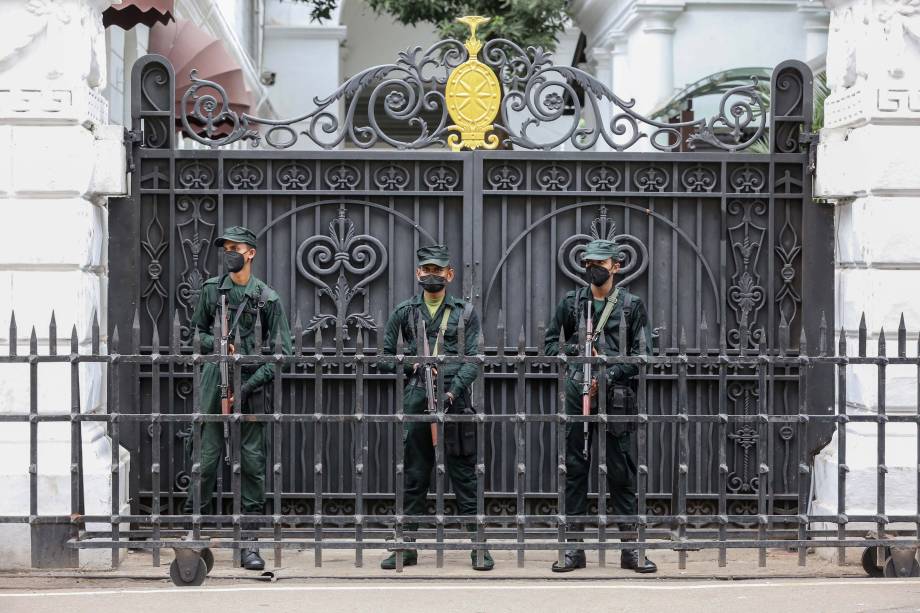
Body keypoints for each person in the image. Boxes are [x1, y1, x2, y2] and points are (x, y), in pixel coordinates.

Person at [377, 244, 493, 571]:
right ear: (418, 273)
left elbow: (474, 358)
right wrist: (411, 366)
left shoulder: (464, 313)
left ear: (449, 274)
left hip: (454, 398)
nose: (431, 275)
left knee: (464, 476)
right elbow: (385, 357)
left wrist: (454, 392)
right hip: (416, 395)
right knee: (414, 475)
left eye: (438, 270)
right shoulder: (405, 311)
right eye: (426, 269)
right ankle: (407, 547)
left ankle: (479, 547)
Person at [543, 238, 657, 573]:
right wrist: (577, 366)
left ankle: (631, 551)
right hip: (578, 397)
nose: (593, 268)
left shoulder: (631, 305)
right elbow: (550, 344)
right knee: (576, 472)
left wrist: (607, 372)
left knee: (622, 474)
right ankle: (573, 551)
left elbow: (643, 353)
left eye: (600, 263)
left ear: (615, 266)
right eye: (588, 262)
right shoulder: (572, 302)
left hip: (618, 397)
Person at [184, 226, 293, 571]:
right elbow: (196, 331)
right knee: (205, 458)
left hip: (253, 385)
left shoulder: (267, 298)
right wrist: (216, 345)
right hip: (216, 378)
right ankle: (195, 536)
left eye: (236, 247)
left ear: (251, 253)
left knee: (252, 464)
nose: (229, 252)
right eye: (225, 247)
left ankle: (249, 542)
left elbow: (282, 353)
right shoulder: (212, 291)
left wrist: (249, 384)